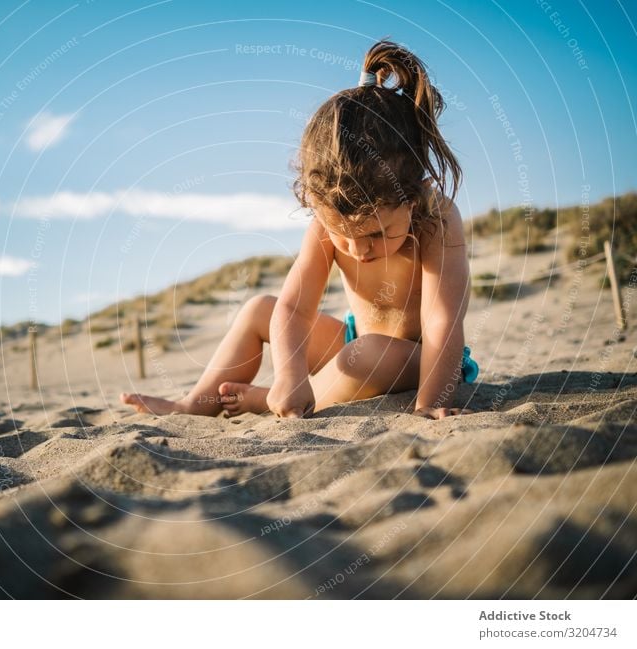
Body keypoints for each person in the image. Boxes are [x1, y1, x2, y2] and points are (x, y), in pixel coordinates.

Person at [121, 40, 476, 420]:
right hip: (352, 344)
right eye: (344, 235)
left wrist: (431, 404)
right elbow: (293, 308)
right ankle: (195, 403)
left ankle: (265, 401)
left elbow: (442, 319)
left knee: (370, 353)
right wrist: (290, 373)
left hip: (425, 361)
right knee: (261, 310)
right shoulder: (327, 224)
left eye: (376, 234)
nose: (359, 251)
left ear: (412, 197)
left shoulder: (436, 220)